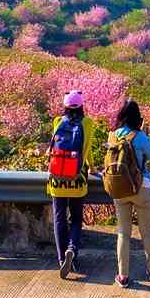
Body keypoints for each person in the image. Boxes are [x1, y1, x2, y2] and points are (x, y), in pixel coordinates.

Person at [111, 99, 150, 288]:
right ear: (137, 117)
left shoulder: (114, 135)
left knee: (123, 233)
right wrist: (145, 136)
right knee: (146, 232)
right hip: (140, 187)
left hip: (120, 188)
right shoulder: (140, 136)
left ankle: (123, 276)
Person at [46, 90, 93, 279]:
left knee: (59, 218)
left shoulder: (58, 122)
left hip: (57, 179)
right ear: (82, 106)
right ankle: (72, 250)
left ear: (65, 106)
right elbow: (87, 150)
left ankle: (60, 258)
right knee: (75, 218)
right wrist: (93, 168)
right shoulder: (88, 123)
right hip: (77, 179)